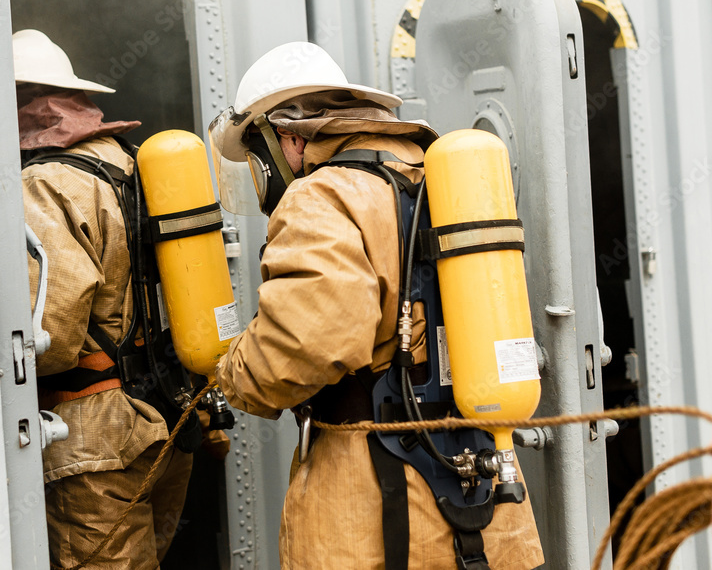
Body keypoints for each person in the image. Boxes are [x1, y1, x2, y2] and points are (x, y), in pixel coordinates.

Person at [210, 42, 545, 569]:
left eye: (257, 153)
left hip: (374, 498)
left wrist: (230, 374)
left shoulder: (320, 195)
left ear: (289, 137)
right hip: (485, 482)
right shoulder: (439, 173)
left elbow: (309, 341)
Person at [16, 29, 192, 568]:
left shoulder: (43, 182)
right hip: (165, 417)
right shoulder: (130, 162)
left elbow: (51, 336)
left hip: (94, 442)